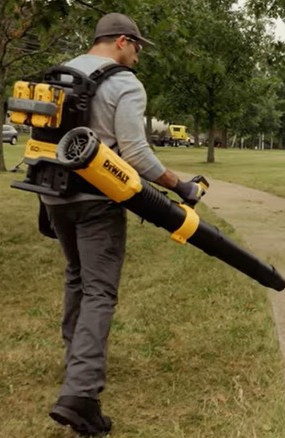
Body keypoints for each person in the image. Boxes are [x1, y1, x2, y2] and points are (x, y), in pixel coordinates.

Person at [41, 12, 205, 436]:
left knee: (77, 276)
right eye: (136, 47)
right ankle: (80, 396)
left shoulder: (61, 73)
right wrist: (180, 186)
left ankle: (74, 358)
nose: (137, 57)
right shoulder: (124, 83)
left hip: (54, 193)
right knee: (99, 290)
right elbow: (134, 153)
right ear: (120, 41)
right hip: (98, 198)